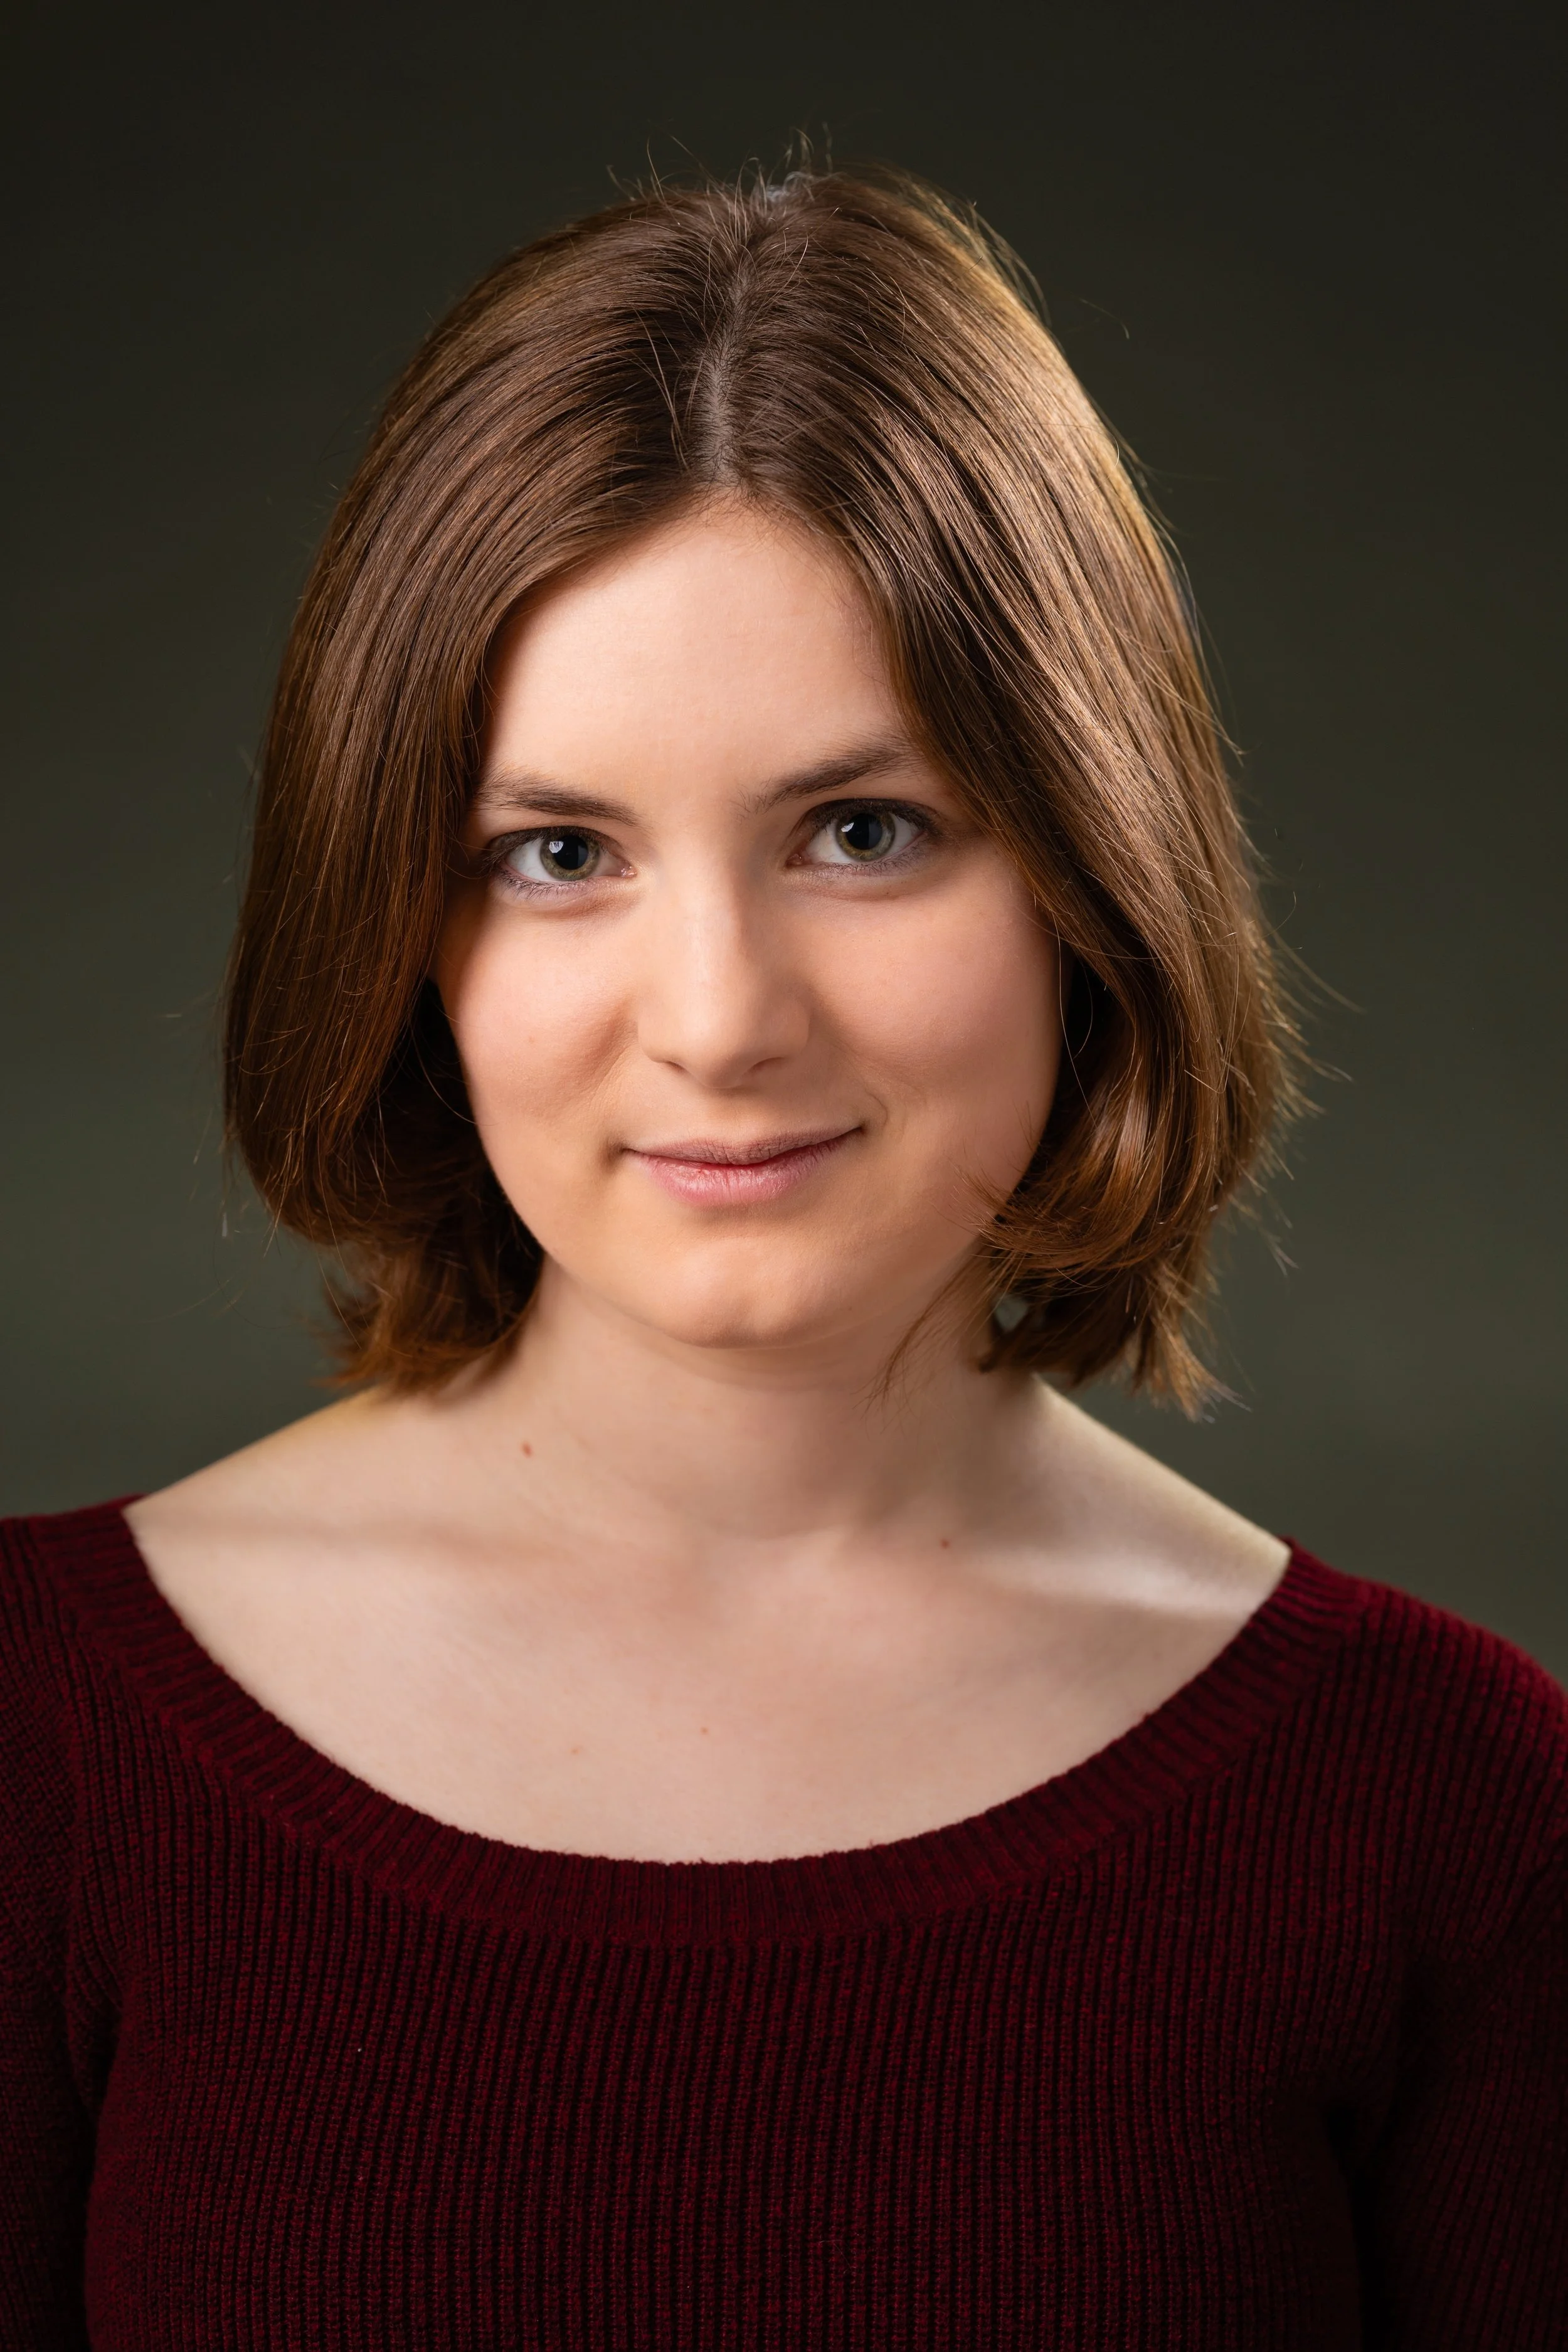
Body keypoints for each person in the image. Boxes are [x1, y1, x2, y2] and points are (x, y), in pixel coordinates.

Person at [1, 166, 1562, 2349]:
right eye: (557, 854)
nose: (721, 1014)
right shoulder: (33, 1742)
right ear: (400, 932)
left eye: (863, 831)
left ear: (1087, 881)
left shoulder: (1452, 1812)